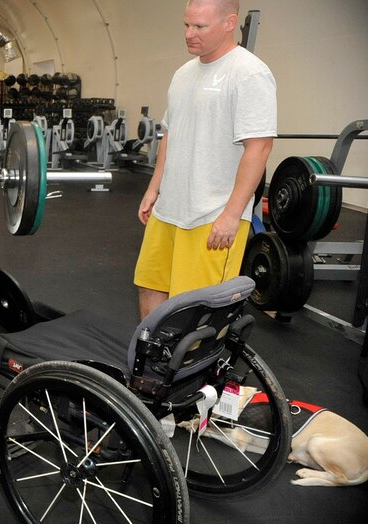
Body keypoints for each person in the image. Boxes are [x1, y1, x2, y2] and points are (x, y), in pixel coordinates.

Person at [134, 0, 276, 319]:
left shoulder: (249, 73)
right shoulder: (183, 73)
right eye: (186, 25)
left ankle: (191, 371)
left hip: (211, 215)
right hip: (169, 209)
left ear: (230, 23)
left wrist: (231, 214)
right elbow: (172, 133)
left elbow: (260, 148)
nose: (189, 34)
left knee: (194, 309)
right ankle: (150, 367)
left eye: (199, 27)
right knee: (150, 286)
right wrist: (154, 188)